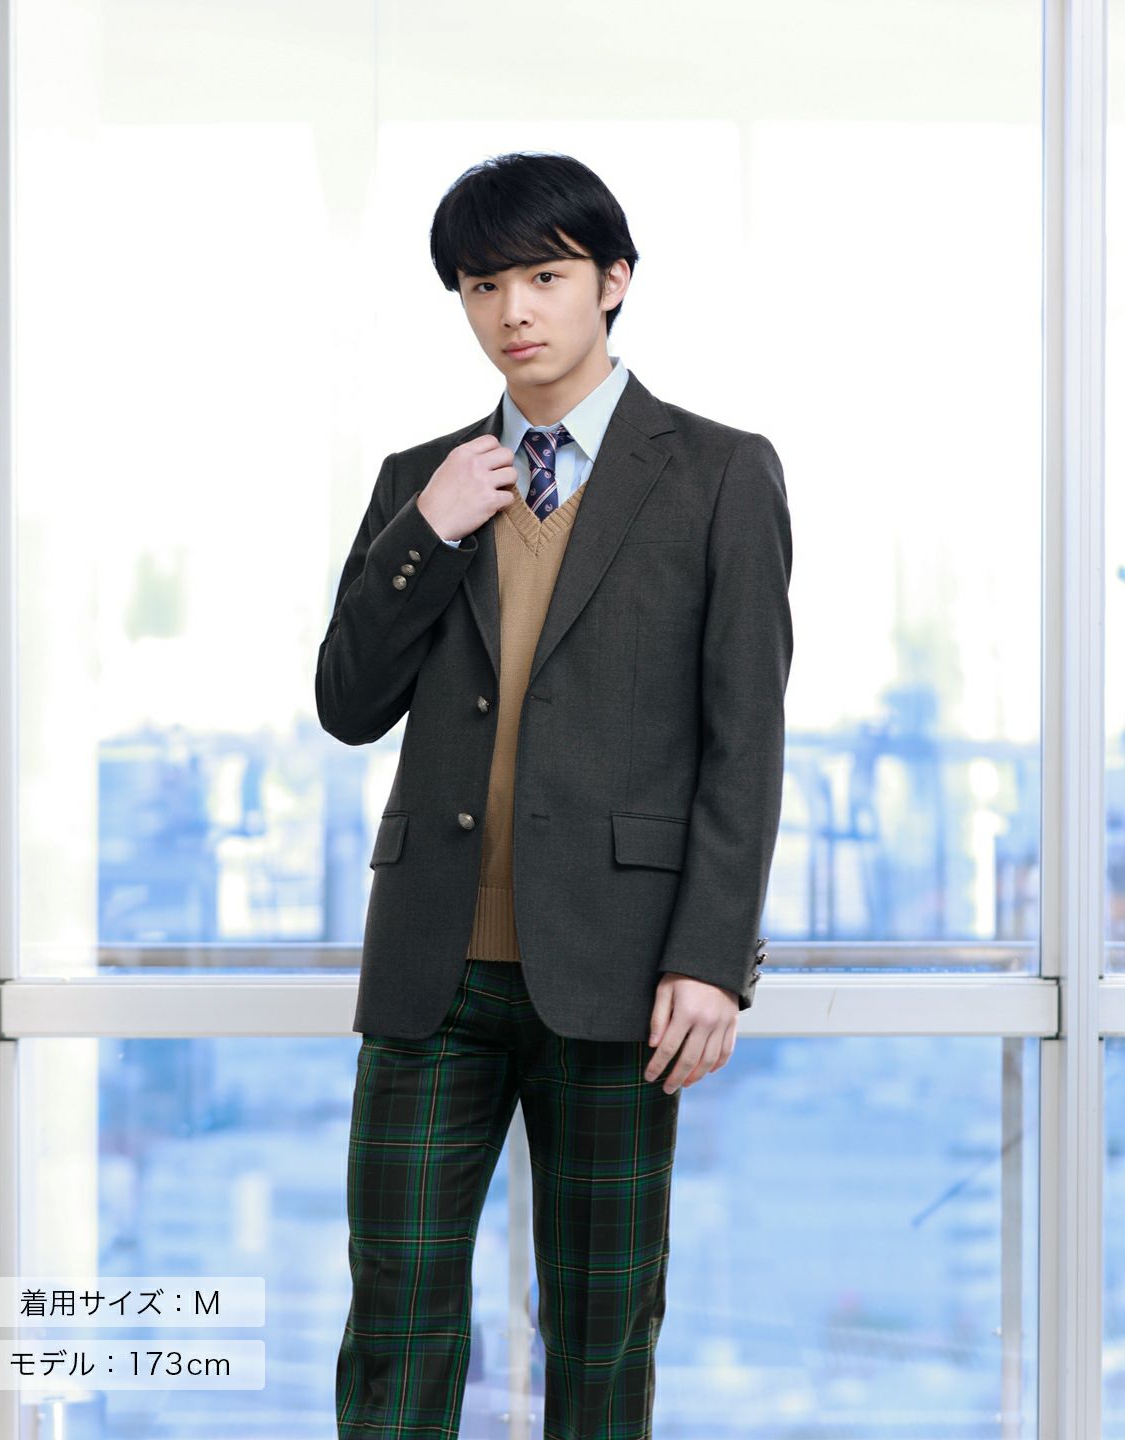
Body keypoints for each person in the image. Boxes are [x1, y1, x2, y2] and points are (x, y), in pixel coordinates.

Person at [318, 150, 793, 1440]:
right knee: (396, 1322)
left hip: (619, 971)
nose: (513, 311)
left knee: (600, 1329)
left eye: (544, 276)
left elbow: (744, 740)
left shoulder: (719, 473)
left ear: (612, 281)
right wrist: (428, 530)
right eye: (483, 286)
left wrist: (712, 959)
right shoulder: (423, 478)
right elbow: (348, 703)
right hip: (434, 973)